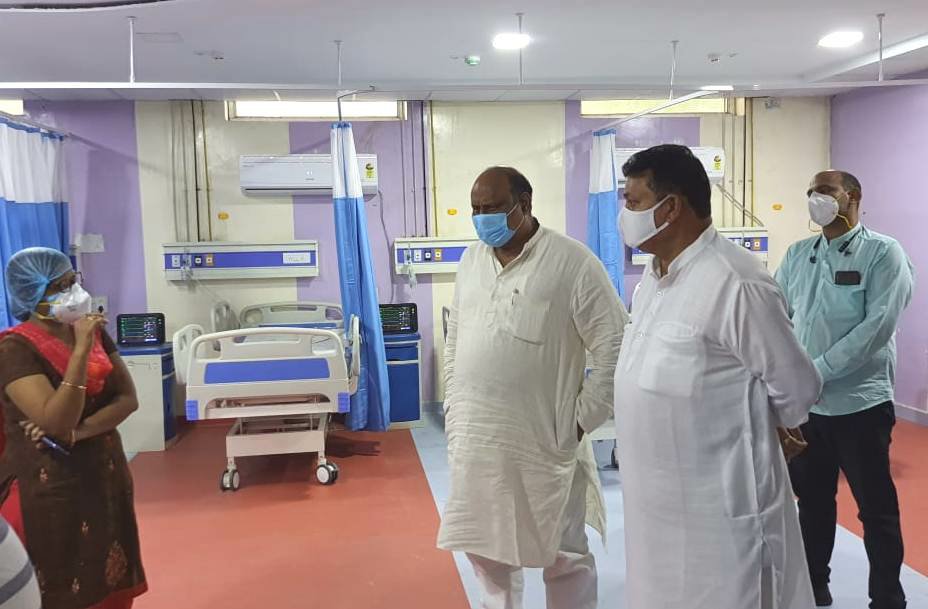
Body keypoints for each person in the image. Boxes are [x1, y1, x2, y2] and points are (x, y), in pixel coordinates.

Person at [613, 145, 822, 609]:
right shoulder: (653, 280)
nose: (625, 215)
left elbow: (798, 387)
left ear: (671, 208)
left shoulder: (736, 283)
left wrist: (770, 422)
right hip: (655, 510)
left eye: (633, 201)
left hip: (722, 519)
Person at [438, 166, 627, 609]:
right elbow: (456, 339)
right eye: (475, 209)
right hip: (478, 439)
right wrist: (454, 408)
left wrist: (581, 420)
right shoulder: (471, 262)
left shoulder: (572, 262)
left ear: (524, 205)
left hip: (546, 441)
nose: (482, 218)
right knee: (486, 546)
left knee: (563, 550)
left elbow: (615, 344)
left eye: (492, 208)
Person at [775, 170, 914, 609]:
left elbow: (876, 329)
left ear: (851, 196)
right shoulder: (799, 254)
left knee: (876, 509)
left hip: (860, 405)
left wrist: (815, 371)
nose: (814, 198)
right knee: (813, 503)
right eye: (810, 192)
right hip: (808, 407)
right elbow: (777, 315)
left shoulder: (883, 253)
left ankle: (887, 597)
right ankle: (814, 587)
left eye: (824, 191)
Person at [0, 247, 147, 609]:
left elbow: (128, 399)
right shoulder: (14, 350)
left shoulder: (94, 333)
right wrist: (80, 351)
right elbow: (56, 420)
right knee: (62, 584)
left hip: (105, 477)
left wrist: (78, 433)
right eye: (59, 287)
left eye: (73, 281)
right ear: (33, 295)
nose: (74, 293)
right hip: (52, 486)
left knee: (110, 580)